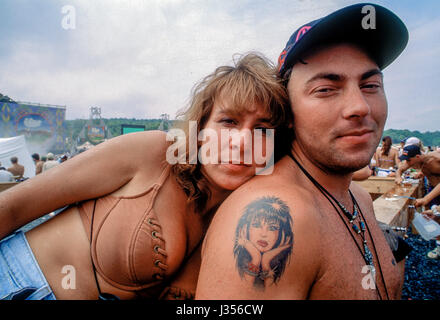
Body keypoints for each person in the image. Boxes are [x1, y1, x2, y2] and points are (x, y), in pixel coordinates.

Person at [0, 53, 292, 300]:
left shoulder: (244, 214)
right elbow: (14, 207)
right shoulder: (154, 153)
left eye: (261, 128)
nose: (241, 141)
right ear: (200, 129)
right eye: (228, 121)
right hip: (14, 279)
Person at [196, 3, 409, 300]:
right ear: (289, 112)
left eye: (370, 85)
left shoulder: (359, 198)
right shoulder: (273, 211)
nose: (360, 107)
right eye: (325, 89)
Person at [395, 144, 440, 260]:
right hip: (433, 188)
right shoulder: (415, 162)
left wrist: (425, 199)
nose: (407, 163)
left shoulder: (434, 160)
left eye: (409, 160)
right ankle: (439, 247)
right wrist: (398, 177)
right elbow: (400, 169)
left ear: (418, 156)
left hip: (437, 190)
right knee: (435, 218)